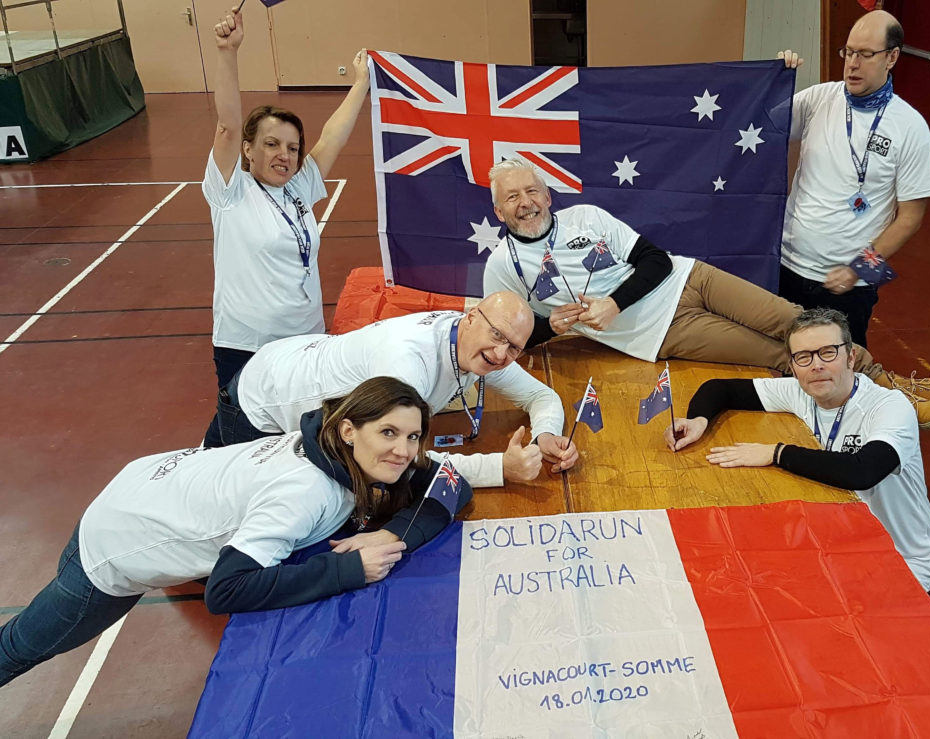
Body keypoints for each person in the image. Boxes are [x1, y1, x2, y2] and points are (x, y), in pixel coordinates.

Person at [0, 377, 472, 687]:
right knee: (19, 649)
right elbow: (225, 591)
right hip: (113, 545)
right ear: (350, 430)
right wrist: (347, 568)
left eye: (413, 437)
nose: (404, 451)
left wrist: (394, 537)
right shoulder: (306, 493)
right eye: (388, 433)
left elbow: (451, 483)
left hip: (150, 489)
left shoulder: (330, 446)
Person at [482, 158, 930, 430]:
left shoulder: (587, 218)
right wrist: (554, 326)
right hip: (664, 332)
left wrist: (612, 304)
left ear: (548, 195)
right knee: (781, 355)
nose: (525, 203)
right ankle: (889, 406)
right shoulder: (502, 265)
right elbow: (513, 337)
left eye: (532, 191)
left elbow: (654, 261)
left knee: (800, 323)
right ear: (500, 212)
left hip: (688, 279)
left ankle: (904, 388)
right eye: (511, 197)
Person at [663, 308, 930, 591]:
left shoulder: (889, 407)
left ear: (851, 358)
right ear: (793, 367)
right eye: (804, 357)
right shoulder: (800, 391)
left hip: (899, 558)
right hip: (841, 541)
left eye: (828, 352)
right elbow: (719, 389)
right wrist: (698, 419)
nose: (816, 365)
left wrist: (777, 453)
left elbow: (863, 471)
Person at [202, 8, 369, 445]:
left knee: (296, 438)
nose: (284, 155)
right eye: (272, 144)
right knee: (244, 444)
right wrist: (228, 52)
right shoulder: (230, 192)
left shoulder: (298, 187)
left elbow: (333, 136)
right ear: (248, 149)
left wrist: (360, 84)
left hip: (305, 340)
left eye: (292, 148)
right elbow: (225, 123)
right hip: (247, 347)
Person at [209, 291, 579, 486]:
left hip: (293, 368)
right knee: (220, 497)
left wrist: (545, 434)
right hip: (261, 402)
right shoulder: (406, 362)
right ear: (470, 318)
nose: (501, 353)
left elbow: (541, 395)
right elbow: (397, 461)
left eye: (513, 347)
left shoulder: (474, 347)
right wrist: (500, 468)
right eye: (497, 335)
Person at [776, 11, 930, 349]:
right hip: (787, 264)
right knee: (778, 361)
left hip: (851, 283)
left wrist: (858, 270)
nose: (852, 64)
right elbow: (760, 125)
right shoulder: (818, 100)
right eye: (848, 52)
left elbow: (911, 218)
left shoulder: (910, 127)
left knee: (840, 375)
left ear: (892, 57)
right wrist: (775, 80)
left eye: (865, 55)